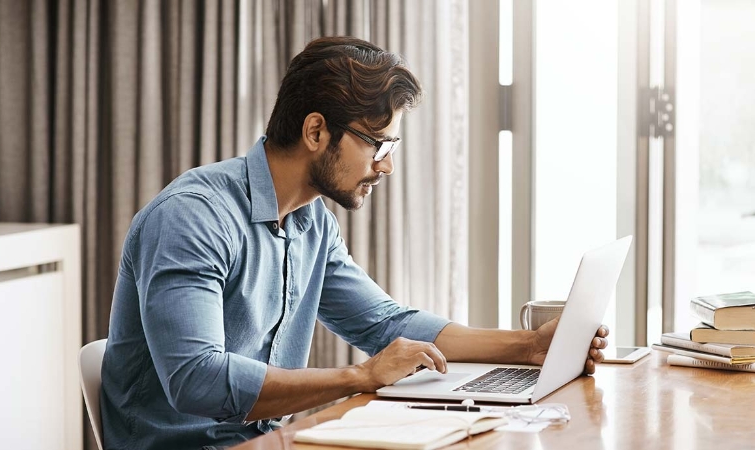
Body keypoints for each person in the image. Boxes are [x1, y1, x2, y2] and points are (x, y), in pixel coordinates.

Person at [99, 36, 609, 450]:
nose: (386, 165)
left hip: (277, 439)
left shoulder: (310, 222)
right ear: (316, 131)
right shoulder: (193, 218)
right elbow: (197, 380)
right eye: (378, 143)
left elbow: (383, 322)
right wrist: (359, 376)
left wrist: (529, 347)